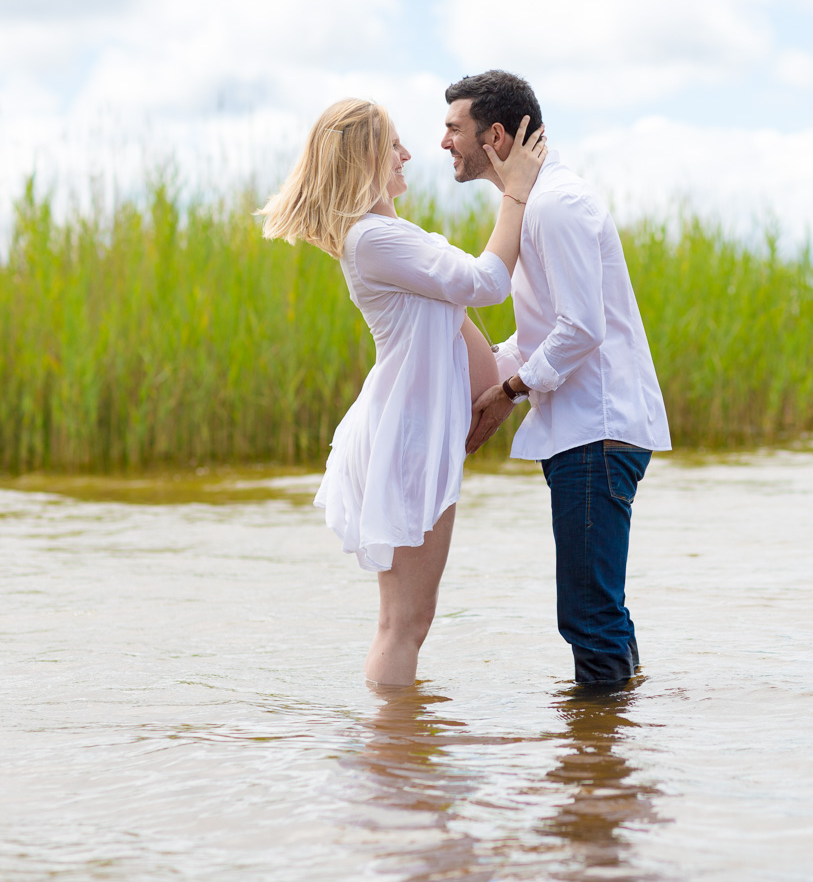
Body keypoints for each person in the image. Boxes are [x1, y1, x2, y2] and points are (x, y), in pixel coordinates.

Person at [257, 97, 546, 686]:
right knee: (404, 623)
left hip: (416, 429)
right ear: (365, 155)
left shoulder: (386, 233)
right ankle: (393, 759)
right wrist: (516, 191)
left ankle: (396, 758)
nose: (407, 154)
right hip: (408, 434)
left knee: (411, 618)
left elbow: (454, 322)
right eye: (393, 145)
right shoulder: (372, 240)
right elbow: (487, 283)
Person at [441, 71, 672, 688]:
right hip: (581, 431)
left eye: (453, 128)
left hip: (595, 433)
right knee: (599, 613)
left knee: (589, 617)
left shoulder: (557, 203)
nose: (444, 142)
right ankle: (609, 760)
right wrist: (483, 372)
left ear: (493, 135)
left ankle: (595, 770)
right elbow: (542, 332)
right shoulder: (537, 202)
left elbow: (582, 327)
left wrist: (511, 392)